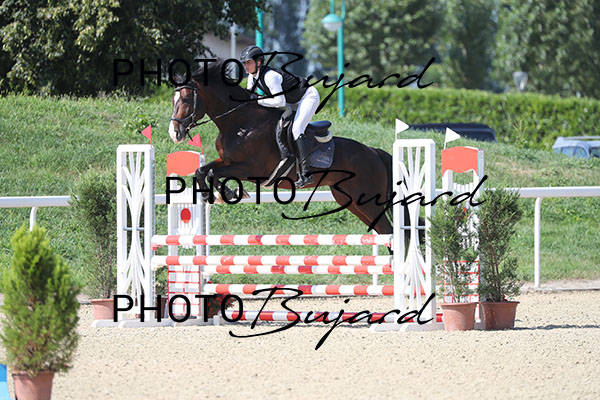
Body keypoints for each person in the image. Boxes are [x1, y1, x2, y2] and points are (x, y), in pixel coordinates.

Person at [240, 45, 320, 188]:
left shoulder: (270, 76)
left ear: (258, 62)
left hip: (307, 97)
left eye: (248, 62)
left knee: (297, 129)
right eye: (244, 63)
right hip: (292, 101)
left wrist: (258, 100)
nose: (246, 66)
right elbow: (249, 97)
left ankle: (307, 174)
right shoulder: (252, 77)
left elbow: (279, 102)